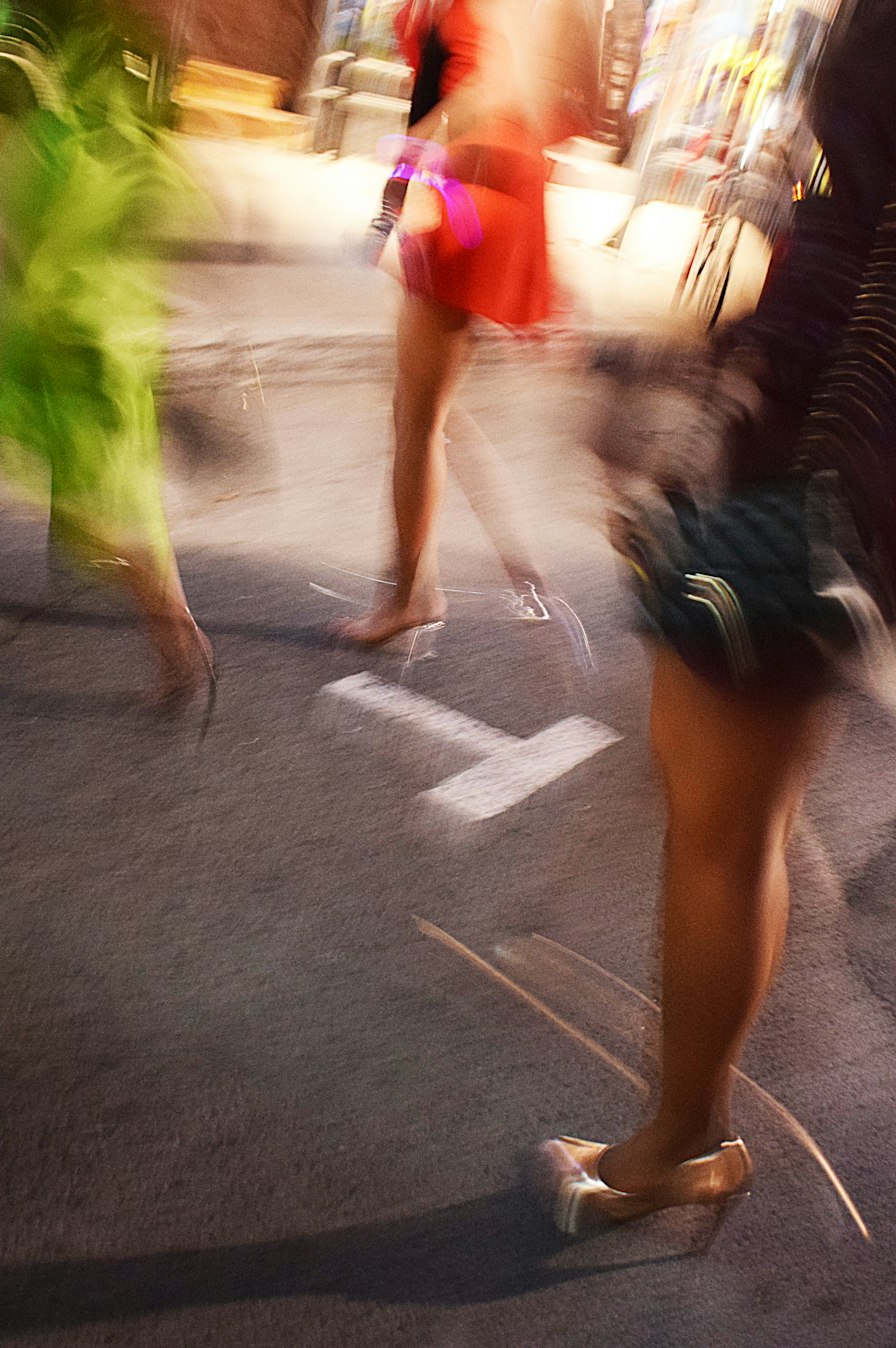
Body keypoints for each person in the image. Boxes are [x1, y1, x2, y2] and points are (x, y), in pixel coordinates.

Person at [536, 0, 896, 1236]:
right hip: (833, 440)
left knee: (719, 817)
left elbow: (855, 239)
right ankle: (684, 1128)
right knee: (729, 811)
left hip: (828, 451)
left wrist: (732, 399)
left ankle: (683, 1141)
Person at [0, 0, 214, 713]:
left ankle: (171, 628)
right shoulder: (144, 30)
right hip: (99, 264)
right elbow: (158, 142)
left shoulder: (39, 18)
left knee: (88, 485)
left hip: (51, 266)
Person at [333, 0, 601, 646]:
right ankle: (464, 574)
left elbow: (497, 80)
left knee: (419, 415)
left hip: (473, 192)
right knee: (420, 406)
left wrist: (414, 148)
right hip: (470, 185)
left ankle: (409, 596)